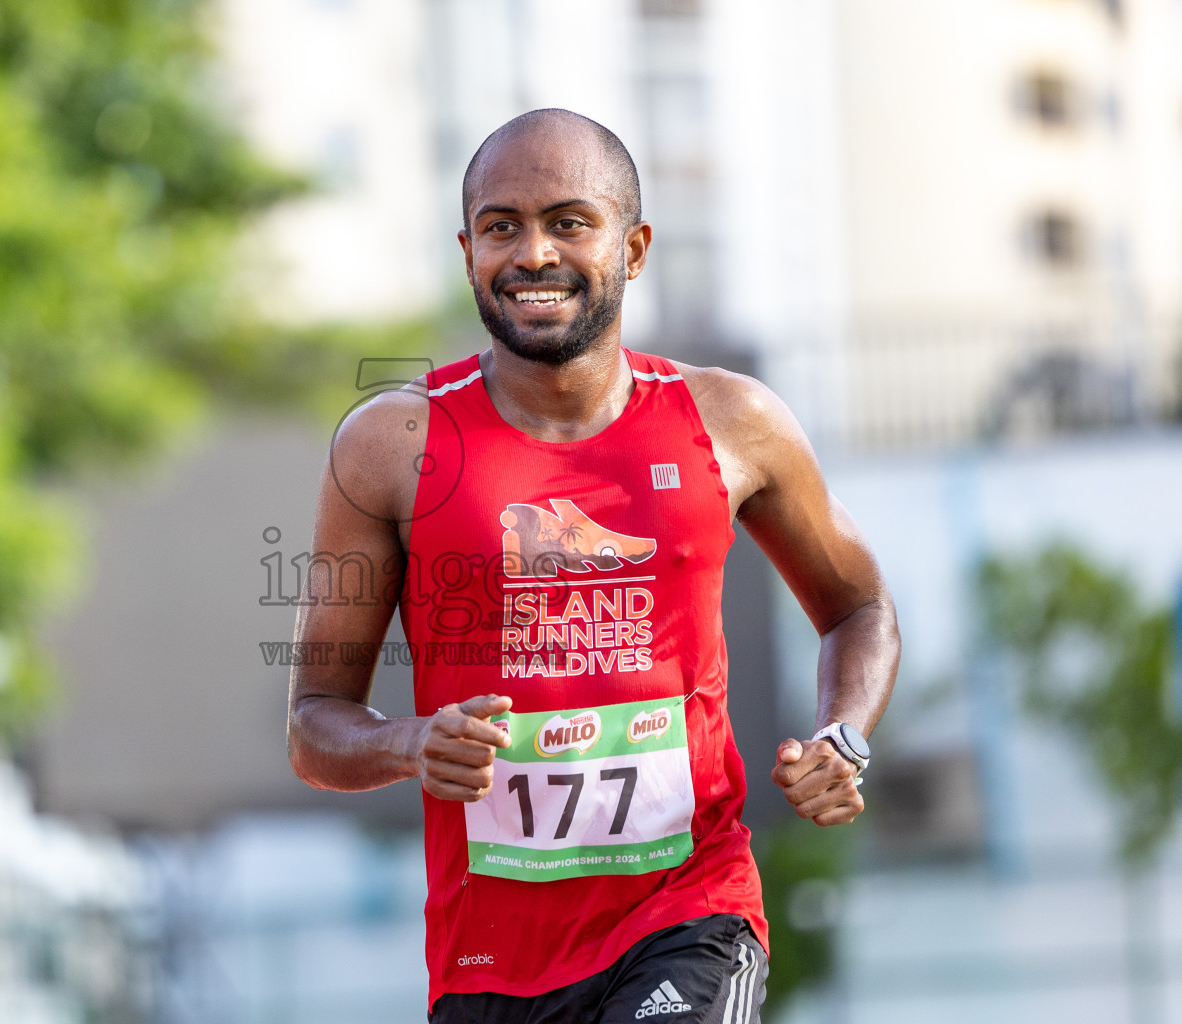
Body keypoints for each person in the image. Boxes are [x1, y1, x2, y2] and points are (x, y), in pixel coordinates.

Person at [287, 108, 899, 1024]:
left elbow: (860, 608)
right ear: (467, 253)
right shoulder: (392, 444)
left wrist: (842, 736)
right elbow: (313, 726)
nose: (533, 254)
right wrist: (410, 743)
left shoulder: (732, 423)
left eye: (570, 222)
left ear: (635, 245)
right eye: (502, 227)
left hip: (689, 914)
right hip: (487, 961)